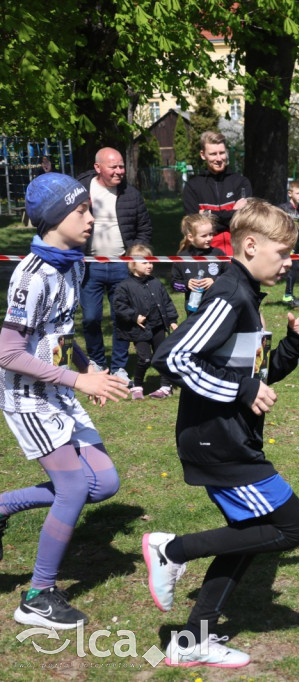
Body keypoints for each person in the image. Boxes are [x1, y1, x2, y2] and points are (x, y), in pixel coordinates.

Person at [148, 199, 299, 668]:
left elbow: (254, 375)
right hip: (218, 442)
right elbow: (174, 358)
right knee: (292, 526)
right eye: (282, 253)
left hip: (229, 438)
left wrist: (293, 347)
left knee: (249, 532)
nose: (288, 263)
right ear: (249, 245)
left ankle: (192, 642)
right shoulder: (229, 295)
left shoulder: (246, 294)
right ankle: (172, 550)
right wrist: (242, 390)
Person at [0, 173, 129, 629]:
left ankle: (3, 505)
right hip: (27, 397)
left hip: (60, 387)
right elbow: (8, 353)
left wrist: (88, 367)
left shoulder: (73, 263)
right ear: (56, 219)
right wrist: (78, 381)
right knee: (74, 488)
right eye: (82, 212)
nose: (91, 218)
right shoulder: (30, 277)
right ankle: (37, 594)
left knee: (105, 483)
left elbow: (58, 335)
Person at [76, 147, 153, 383]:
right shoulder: (80, 190)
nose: (120, 171)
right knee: (90, 318)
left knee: (123, 317)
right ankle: (97, 361)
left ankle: (119, 366)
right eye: (114, 167)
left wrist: (135, 256)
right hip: (90, 266)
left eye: (121, 166)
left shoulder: (131, 194)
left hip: (122, 264)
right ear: (98, 168)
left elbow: (144, 228)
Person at [112, 244, 178, 399]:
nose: (150, 265)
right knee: (145, 358)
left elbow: (167, 302)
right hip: (140, 329)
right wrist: (134, 317)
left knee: (161, 356)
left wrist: (172, 320)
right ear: (132, 264)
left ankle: (165, 386)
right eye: (145, 262)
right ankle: (137, 385)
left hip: (158, 326)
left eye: (151, 262)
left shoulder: (156, 282)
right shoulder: (124, 286)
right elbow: (119, 306)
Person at [182, 130, 252, 256]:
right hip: (205, 257)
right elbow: (194, 226)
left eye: (222, 153)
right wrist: (232, 213)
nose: (219, 158)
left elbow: (244, 221)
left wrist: (207, 214)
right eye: (213, 154)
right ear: (203, 155)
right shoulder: (192, 187)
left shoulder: (241, 183)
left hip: (238, 254)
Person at [172, 213, 227, 317]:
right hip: (194, 311)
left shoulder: (218, 254)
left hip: (217, 308)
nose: (209, 238)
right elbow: (174, 284)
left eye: (211, 234)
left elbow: (230, 277)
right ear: (191, 237)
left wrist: (214, 281)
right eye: (204, 236)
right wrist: (187, 284)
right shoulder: (182, 257)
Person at [277, 179, 299, 309]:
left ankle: (288, 295)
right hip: (282, 243)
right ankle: (288, 296)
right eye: (298, 193)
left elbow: (294, 225)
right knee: (294, 267)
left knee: (294, 267)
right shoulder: (283, 208)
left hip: (293, 244)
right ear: (290, 193)